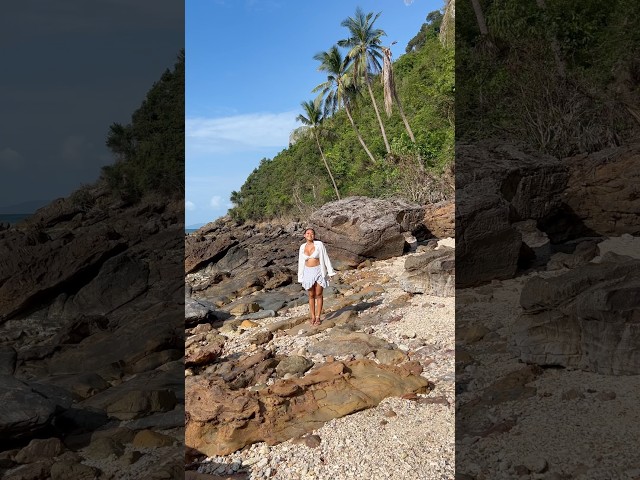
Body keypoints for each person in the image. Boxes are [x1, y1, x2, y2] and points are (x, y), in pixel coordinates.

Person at [297, 228, 335, 326]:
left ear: (314, 235)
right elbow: (301, 262)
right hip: (307, 272)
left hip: (319, 270)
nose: (310, 235)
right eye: (308, 233)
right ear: (304, 235)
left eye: (312, 233)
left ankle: (318, 317)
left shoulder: (319, 244)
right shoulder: (302, 247)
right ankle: (312, 316)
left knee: (319, 294)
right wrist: (300, 277)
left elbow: (326, 258)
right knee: (311, 295)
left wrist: (330, 272)